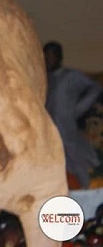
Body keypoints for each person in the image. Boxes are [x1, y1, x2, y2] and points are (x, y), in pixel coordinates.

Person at [44, 40, 103, 189]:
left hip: (66, 127)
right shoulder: (47, 79)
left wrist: (80, 108)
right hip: (51, 130)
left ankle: (88, 191)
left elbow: (94, 88)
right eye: (46, 57)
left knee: (77, 160)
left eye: (51, 56)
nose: (48, 60)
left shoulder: (71, 76)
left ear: (59, 57)